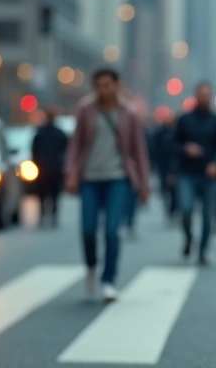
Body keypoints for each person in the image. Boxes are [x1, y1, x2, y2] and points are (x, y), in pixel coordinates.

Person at [64, 68, 152, 302]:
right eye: (99, 85)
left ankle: (108, 280)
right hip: (90, 179)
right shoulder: (85, 109)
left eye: (107, 85)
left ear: (116, 85)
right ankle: (92, 266)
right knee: (88, 230)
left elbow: (139, 151)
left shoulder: (129, 113)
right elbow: (75, 144)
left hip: (118, 179)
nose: (103, 90)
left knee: (113, 231)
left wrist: (144, 184)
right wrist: (71, 173)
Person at [172, 82, 216, 264]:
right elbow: (172, 143)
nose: (203, 98)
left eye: (206, 95)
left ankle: (203, 250)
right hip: (187, 173)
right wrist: (185, 148)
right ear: (196, 96)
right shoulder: (184, 119)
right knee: (186, 209)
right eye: (200, 94)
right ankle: (188, 238)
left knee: (207, 215)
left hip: (209, 175)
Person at [31, 107, 70, 228]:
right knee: (53, 194)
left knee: (43, 194)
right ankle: (52, 215)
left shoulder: (40, 133)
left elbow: (34, 151)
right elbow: (66, 149)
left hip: (44, 169)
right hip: (54, 168)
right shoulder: (59, 133)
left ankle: (44, 215)